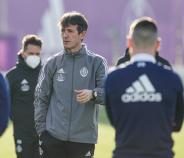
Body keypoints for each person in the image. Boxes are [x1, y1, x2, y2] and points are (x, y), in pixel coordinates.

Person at [105, 17, 184, 158]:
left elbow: (114, 121)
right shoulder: (172, 79)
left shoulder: (113, 78)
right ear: (158, 44)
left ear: (129, 42)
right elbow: (177, 125)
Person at [34, 11, 108, 158]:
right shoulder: (52, 63)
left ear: (82, 34)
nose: (65, 35)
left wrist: (93, 94)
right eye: (63, 31)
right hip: (53, 138)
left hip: (83, 140)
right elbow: (41, 98)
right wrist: (42, 131)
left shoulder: (97, 62)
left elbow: (108, 94)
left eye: (70, 31)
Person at [6, 34, 42, 158]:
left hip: (44, 134)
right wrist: (18, 120)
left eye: (37, 54)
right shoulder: (12, 76)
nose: (34, 57)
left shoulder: (46, 75)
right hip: (22, 133)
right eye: (31, 53)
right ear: (23, 52)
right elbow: (6, 103)